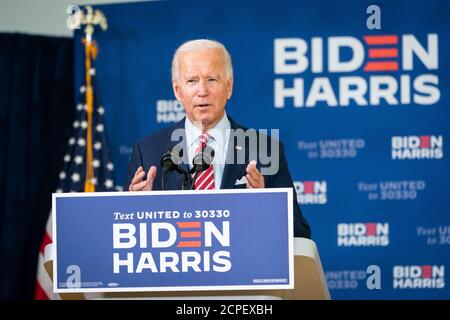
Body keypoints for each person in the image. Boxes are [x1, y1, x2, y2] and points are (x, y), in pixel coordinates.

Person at [126, 39, 311, 238]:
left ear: (229, 87)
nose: (202, 91)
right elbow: (123, 234)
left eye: (212, 80)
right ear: (177, 91)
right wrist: (134, 211)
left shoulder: (263, 149)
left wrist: (265, 207)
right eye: (192, 81)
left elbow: (300, 232)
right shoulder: (148, 151)